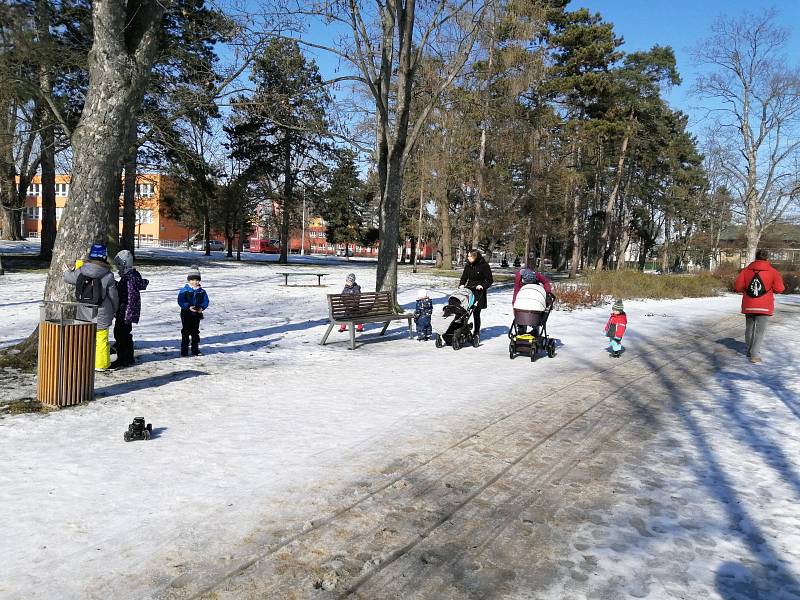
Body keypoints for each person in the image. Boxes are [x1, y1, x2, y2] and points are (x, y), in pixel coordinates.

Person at [63, 243, 119, 371]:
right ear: (104, 257)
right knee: (101, 339)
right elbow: (113, 296)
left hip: (84, 311)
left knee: (85, 338)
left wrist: (67, 270)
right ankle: (101, 365)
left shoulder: (82, 270)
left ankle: (84, 362)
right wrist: (115, 309)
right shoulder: (108, 275)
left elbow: (69, 278)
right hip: (102, 313)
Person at [734, 249, 785, 364]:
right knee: (759, 332)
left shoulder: (746, 271)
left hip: (749, 304)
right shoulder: (773, 271)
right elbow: (780, 288)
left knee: (749, 329)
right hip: (764, 306)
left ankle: (749, 351)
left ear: (756, 258)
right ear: (767, 258)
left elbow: (738, 287)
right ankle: (754, 355)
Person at [110, 250, 149, 369]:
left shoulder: (129, 279)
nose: (117, 269)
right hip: (125, 311)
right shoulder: (130, 277)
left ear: (123, 264)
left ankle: (123, 359)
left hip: (126, 312)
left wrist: (128, 314)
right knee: (125, 334)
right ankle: (129, 357)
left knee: (121, 334)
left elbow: (131, 297)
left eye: (118, 266)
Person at [459, 249, 493, 341]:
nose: (468, 258)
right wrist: (461, 285)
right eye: (468, 256)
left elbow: (489, 280)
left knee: (476, 313)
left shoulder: (484, 266)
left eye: (470, 256)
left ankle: (476, 332)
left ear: (475, 257)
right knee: (463, 311)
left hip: (479, 291)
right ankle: (461, 329)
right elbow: (464, 277)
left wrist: (482, 285)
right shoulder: (468, 266)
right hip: (468, 290)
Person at [178, 265, 210, 356]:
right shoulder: (184, 290)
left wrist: (201, 308)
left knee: (195, 331)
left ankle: (195, 349)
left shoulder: (202, 291)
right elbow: (180, 300)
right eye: (192, 280)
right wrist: (188, 306)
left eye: (196, 280)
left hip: (196, 313)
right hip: (186, 313)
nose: (194, 282)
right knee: (186, 331)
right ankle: (184, 350)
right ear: (189, 280)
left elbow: (206, 301)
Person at [513, 267, 553, 336]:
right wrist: (515, 305)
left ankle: (535, 330)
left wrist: (547, 293)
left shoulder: (537, 275)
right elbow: (516, 292)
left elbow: (546, 282)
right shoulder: (518, 279)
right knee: (522, 311)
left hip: (535, 294)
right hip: (523, 296)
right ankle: (521, 330)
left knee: (536, 311)